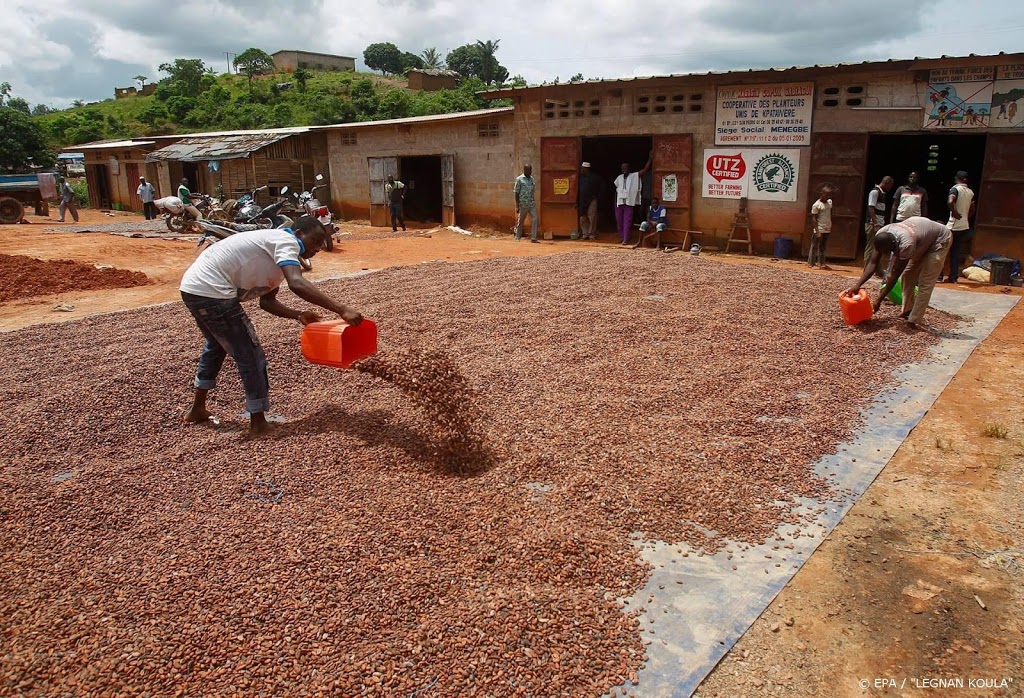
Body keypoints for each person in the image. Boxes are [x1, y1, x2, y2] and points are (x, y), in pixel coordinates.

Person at [179, 215, 363, 436]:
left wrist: (298, 315)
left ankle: (197, 409)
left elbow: (267, 302)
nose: (318, 248)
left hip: (193, 289)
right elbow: (297, 283)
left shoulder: (278, 255)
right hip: (212, 291)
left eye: (321, 243)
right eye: (314, 241)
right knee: (249, 354)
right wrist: (341, 309)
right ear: (298, 234)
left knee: (216, 345)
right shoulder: (285, 241)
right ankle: (258, 424)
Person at [846, 216, 952, 328]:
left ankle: (914, 319)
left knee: (925, 281)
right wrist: (857, 285)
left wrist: (879, 300)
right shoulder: (881, 235)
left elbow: (895, 275)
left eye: (888, 251)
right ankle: (908, 310)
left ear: (893, 244)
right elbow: (872, 264)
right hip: (922, 236)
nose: (886, 254)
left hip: (939, 240)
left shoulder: (906, 244)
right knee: (907, 276)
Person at [943, 170, 976, 283]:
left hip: (953, 226)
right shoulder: (970, 192)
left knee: (942, 251)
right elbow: (972, 209)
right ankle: (953, 277)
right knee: (955, 253)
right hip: (964, 226)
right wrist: (965, 217)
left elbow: (950, 201)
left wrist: (955, 212)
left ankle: (939, 275)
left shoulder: (955, 189)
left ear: (956, 179)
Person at [613, 151, 653, 245]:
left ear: (629, 168)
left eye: (626, 167)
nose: (624, 169)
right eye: (623, 168)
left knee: (627, 221)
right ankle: (622, 236)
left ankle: (626, 239)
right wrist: (615, 202)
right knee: (619, 221)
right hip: (619, 202)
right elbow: (616, 190)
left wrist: (650, 159)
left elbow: (645, 169)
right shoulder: (619, 177)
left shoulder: (634, 176)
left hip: (629, 203)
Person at [864, 176, 894, 277]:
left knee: (879, 247)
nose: (890, 188)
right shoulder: (875, 192)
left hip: (879, 224)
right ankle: (866, 270)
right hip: (873, 224)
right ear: (887, 183)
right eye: (890, 185)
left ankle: (878, 270)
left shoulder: (882, 193)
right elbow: (871, 208)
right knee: (870, 247)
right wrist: (875, 223)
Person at [577, 162, 603, 240]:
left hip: (592, 200)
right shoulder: (581, 178)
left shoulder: (595, 177)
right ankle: (585, 234)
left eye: (582, 168)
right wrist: (576, 202)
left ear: (586, 169)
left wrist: (598, 197)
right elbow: (578, 190)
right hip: (582, 200)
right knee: (582, 218)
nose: (581, 170)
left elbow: (602, 188)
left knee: (592, 217)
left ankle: (591, 234)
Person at [808, 188, 833, 268]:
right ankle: (811, 263)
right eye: (826, 194)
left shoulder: (829, 202)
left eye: (829, 195)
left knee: (823, 246)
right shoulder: (816, 205)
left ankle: (821, 263)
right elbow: (814, 219)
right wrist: (817, 231)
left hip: (827, 228)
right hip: (819, 228)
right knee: (814, 246)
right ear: (822, 193)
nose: (828, 197)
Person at [513, 164, 538, 243]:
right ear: (525, 170)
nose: (530, 172)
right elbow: (516, 192)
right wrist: (517, 205)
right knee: (521, 221)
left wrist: (533, 200)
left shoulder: (531, 179)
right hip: (523, 204)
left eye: (531, 170)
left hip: (531, 203)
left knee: (535, 219)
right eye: (528, 170)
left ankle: (533, 238)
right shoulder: (519, 179)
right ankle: (517, 237)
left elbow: (532, 190)